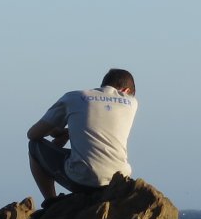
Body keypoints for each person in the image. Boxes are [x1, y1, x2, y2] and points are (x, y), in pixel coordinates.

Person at [27, 68, 138, 205]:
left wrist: (59, 131)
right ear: (127, 92)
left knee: (33, 145)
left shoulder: (73, 97)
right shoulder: (132, 103)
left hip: (83, 180)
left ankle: (51, 201)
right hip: (119, 180)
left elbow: (33, 134)